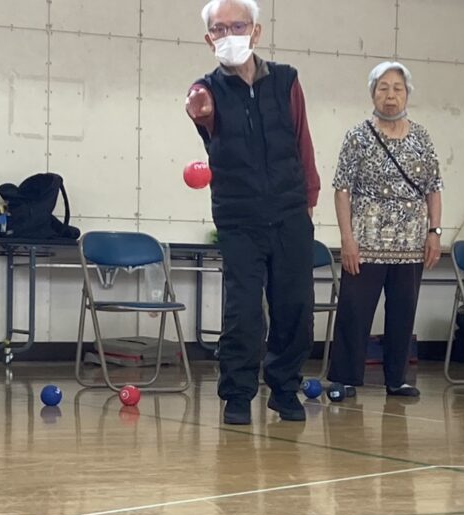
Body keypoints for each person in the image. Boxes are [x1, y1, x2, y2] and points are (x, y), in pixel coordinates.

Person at [186, 0, 320, 425]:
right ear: (209, 39)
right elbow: (201, 112)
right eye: (219, 29)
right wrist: (200, 111)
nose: (229, 35)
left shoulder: (286, 80)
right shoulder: (206, 88)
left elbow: (302, 140)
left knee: (295, 307)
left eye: (237, 26)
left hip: (290, 210)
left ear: (256, 32)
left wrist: (309, 196)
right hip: (239, 217)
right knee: (243, 311)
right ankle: (238, 393)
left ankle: (284, 389)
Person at [327, 62, 443, 398]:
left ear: (407, 94)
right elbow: (342, 189)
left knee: (403, 310)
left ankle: (397, 378)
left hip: (410, 244)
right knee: (354, 310)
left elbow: (433, 188)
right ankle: (346, 377)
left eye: (398, 89)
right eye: (383, 88)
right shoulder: (358, 136)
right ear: (372, 93)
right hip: (366, 241)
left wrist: (434, 232)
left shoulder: (421, 137)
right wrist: (347, 239)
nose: (391, 96)